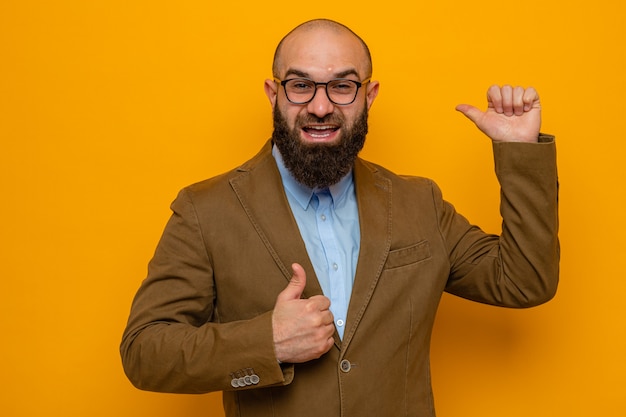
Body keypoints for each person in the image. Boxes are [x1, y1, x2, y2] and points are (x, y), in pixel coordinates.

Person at [121, 18, 559, 417]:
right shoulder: (206, 210)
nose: (320, 106)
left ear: (369, 96)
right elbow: (144, 351)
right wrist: (266, 342)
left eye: (342, 87)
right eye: (300, 85)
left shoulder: (418, 202)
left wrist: (519, 153)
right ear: (274, 95)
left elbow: (524, 280)